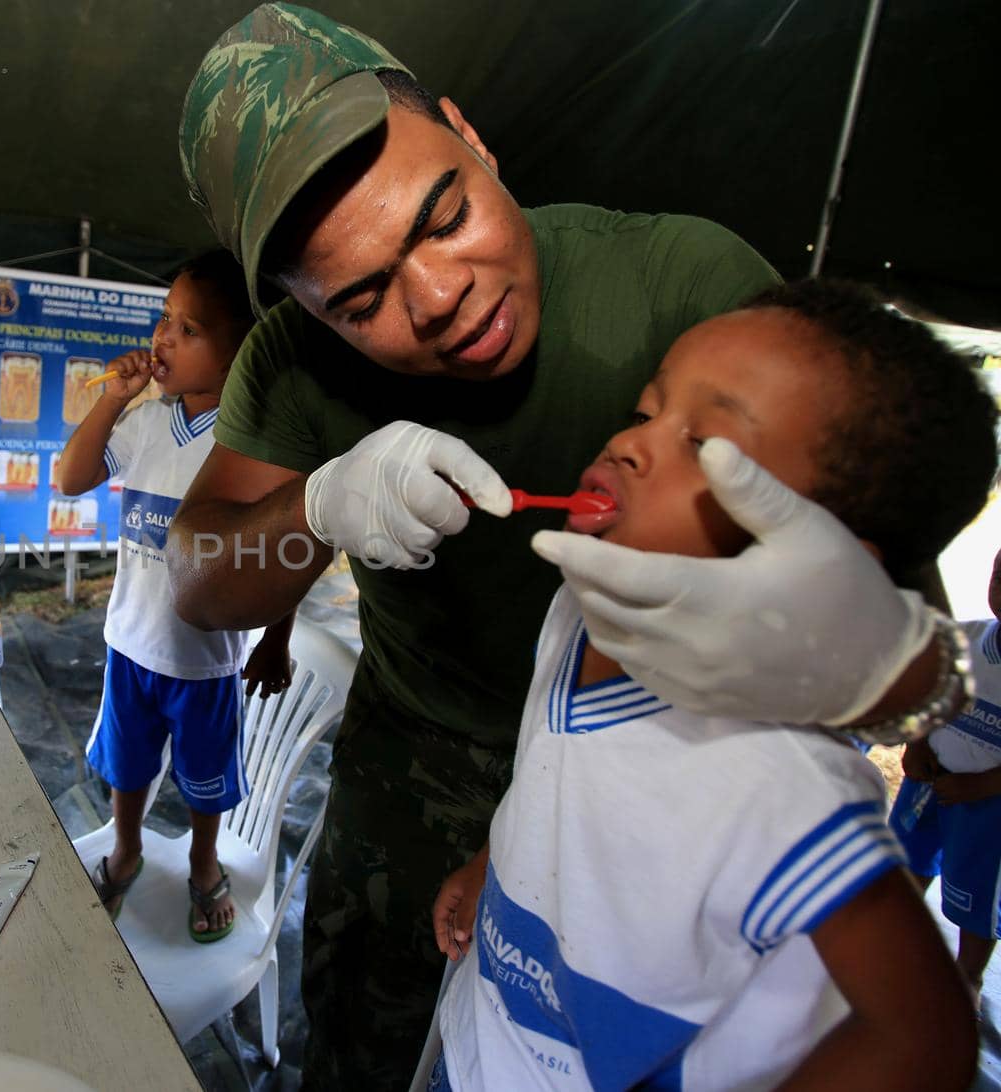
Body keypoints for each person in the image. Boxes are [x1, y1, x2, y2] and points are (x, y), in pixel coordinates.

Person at [168, 4, 972, 1082]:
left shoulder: (686, 292)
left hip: (673, 793)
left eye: (444, 216)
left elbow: (925, 679)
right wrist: (313, 510)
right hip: (421, 772)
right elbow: (200, 587)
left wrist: (863, 663)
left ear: (469, 133)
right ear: (303, 311)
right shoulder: (290, 368)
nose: (440, 295)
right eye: (362, 298)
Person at [426, 280, 991, 1090]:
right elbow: (560, 778)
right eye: (645, 408)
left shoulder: (779, 777)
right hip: (480, 1050)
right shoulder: (580, 608)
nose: (629, 442)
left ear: (817, 565)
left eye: (705, 442)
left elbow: (927, 1038)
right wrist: (497, 862)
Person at [57, 250, 293, 941]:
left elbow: (282, 556)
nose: (162, 339)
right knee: (127, 769)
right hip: (131, 645)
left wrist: (275, 641)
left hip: (206, 662)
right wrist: (111, 399)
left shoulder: (251, 447)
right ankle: (126, 850)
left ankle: (202, 856)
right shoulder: (145, 424)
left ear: (238, 353)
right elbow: (72, 479)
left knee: (205, 782)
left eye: (188, 330)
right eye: (164, 320)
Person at [890, 541, 1001, 1004]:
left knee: (978, 902)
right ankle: (893, 947)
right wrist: (916, 744)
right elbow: (926, 696)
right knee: (904, 864)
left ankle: (966, 979)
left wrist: (984, 784)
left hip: (989, 807)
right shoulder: (966, 639)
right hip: (928, 783)